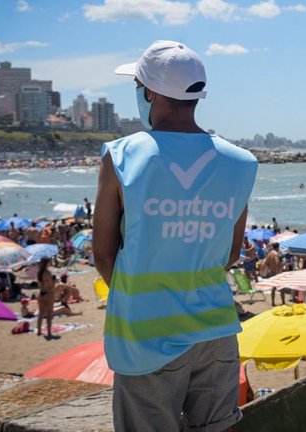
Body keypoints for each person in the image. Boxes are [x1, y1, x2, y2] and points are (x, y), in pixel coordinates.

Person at [93, 41, 258, 432]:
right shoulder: (240, 163)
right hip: (215, 330)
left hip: (145, 337)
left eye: (137, 83)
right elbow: (229, 254)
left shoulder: (123, 156)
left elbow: (103, 254)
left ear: (150, 92)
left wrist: (142, 297)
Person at [36, 257, 55, 339]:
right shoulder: (48, 273)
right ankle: (49, 333)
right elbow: (51, 285)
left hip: (41, 294)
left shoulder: (39, 273)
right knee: (49, 314)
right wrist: (54, 280)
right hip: (49, 294)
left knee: (41, 314)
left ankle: (39, 331)